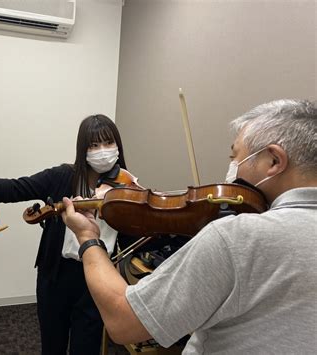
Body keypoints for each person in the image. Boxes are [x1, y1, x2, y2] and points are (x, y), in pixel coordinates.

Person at [61, 99, 317, 354]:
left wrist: (87, 236)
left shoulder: (238, 236)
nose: (231, 168)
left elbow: (124, 321)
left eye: (235, 156)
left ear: (273, 161)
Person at [0, 114, 134, 355]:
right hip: (55, 275)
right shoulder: (62, 176)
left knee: (86, 347)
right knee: (52, 345)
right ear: (82, 149)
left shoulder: (128, 187)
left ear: (118, 146)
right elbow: (15, 188)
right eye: (94, 145)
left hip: (97, 278)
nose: (103, 151)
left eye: (108, 143)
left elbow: (132, 238)